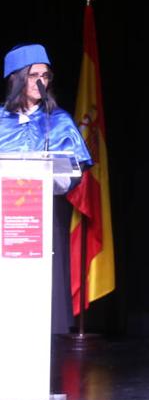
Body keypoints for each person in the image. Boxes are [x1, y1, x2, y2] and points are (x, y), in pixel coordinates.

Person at [0, 44, 92, 334]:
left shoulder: (58, 121)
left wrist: (51, 178)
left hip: (44, 215)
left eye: (45, 75)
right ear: (15, 78)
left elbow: (75, 169)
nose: (41, 82)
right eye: (32, 75)